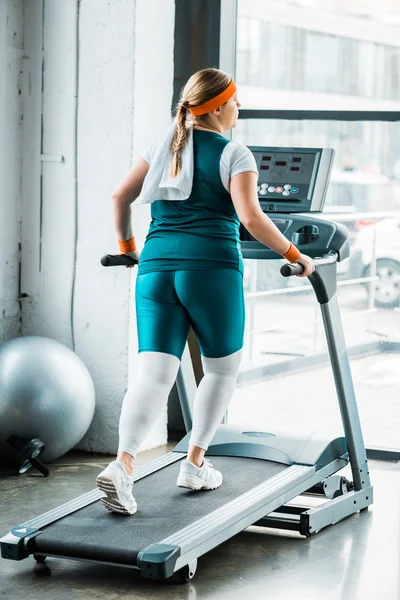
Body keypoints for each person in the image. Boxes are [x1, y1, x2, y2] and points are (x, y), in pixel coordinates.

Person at [96, 68, 315, 516]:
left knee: (153, 374)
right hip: (211, 269)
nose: (239, 108)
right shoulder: (236, 153)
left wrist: (128, 249)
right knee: (219, 371)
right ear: (216, 107)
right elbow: (251, 219)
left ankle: (122, 465)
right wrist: (298, 256)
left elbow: (119, 196)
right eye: (235, 101)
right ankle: (195, 464)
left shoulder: (162, 146)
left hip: (155, 268)